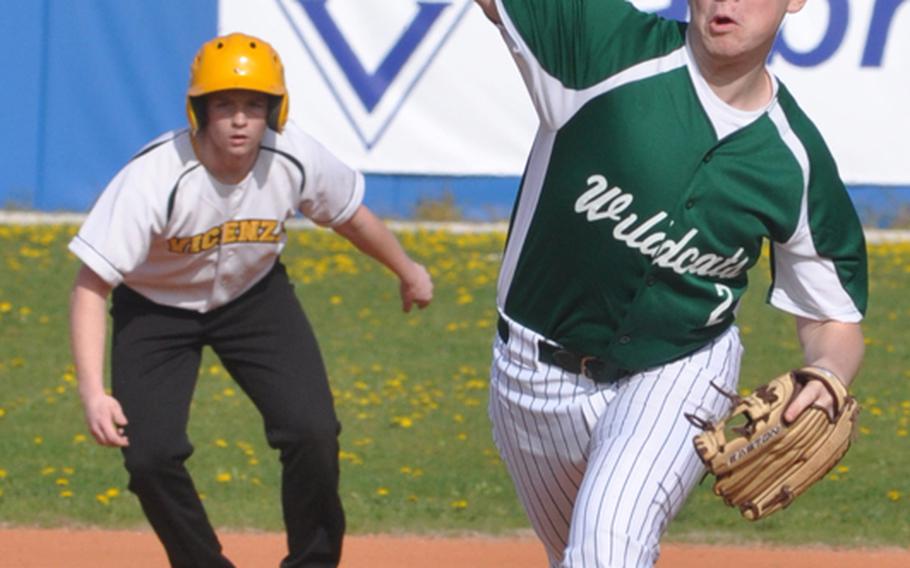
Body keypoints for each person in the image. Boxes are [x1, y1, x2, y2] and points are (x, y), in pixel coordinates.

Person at [472, 1, 867, 566]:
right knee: (579, 556)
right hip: (532, 380)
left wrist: (828, 372)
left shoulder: (793, 159)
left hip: (680, 370)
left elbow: (835, 316)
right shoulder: (600, 46)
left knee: (607, 550)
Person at [68, 32, 433, 568]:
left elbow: (349, 216)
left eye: (254, 106)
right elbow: (91, 283)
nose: (240, 120)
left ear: (274, 110)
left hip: (253, 297)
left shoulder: (292, 156)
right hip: (155, 310)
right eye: (225, 105)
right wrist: (93, 393)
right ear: (199, 111)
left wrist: (407, 269)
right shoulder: (154, 178)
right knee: (149, 456)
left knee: (312, 432)